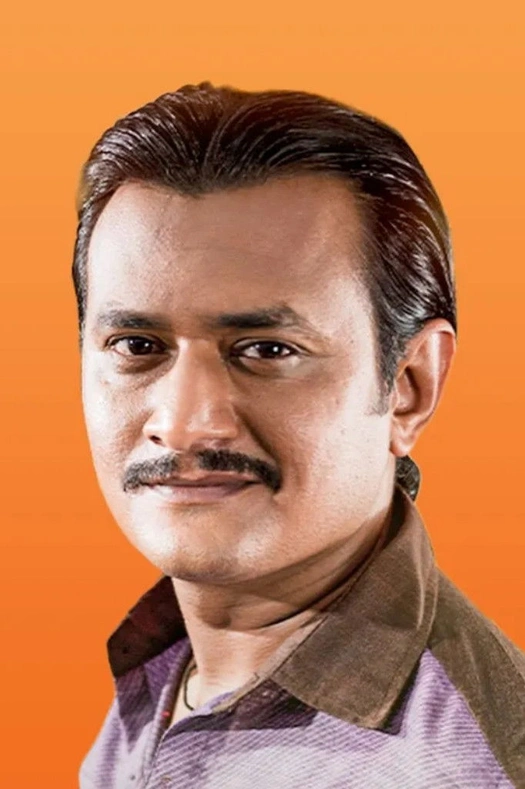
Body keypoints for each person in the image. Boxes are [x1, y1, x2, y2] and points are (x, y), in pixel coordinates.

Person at [75, 83, 524, 789]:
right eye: (137, 345)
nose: (183, 422)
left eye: (266, 349)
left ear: (409, 385)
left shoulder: (469, 764)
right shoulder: (166, 668)